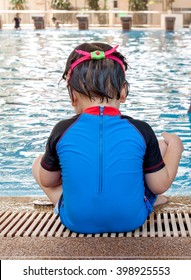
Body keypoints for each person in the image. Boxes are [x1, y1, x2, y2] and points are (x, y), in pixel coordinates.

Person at [32, 42, 183, 234]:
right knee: (162, 147)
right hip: (132, 219)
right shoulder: (141, 130)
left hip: (76, 222)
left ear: (73, 96)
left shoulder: (62, 130)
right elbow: (160, 185)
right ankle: (147, 200)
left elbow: (47, 180)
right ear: (122, 92)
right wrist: (176, 146)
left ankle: (74, 206)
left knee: (39, 163)